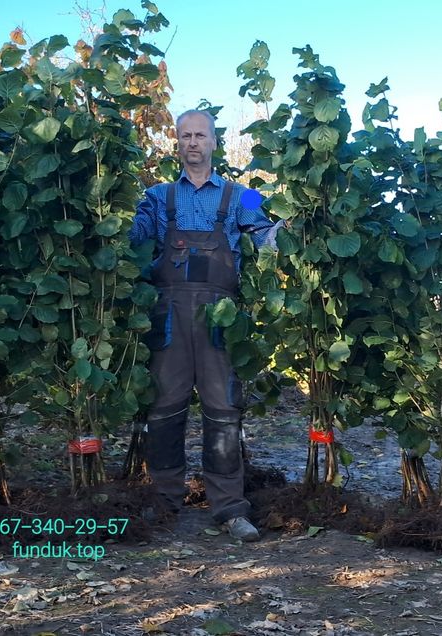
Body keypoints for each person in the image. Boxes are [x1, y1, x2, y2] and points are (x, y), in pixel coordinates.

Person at [128, 109, 283, 542]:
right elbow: (133, 237)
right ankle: (164, 501)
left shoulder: (241, 196)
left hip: (220, 318)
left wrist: (290, 227)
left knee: (224, 409)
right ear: (177, 143)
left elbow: (267, 231)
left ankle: (230, 507)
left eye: (201, 135)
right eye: (185, 136)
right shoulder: (157, 196)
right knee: (163, 408)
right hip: (169, 317)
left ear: (215, 142)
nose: (193, 142)